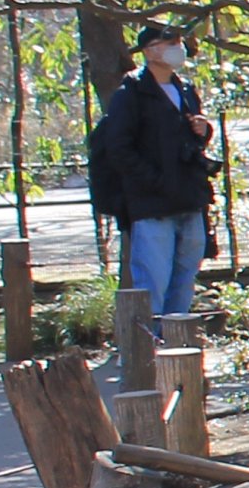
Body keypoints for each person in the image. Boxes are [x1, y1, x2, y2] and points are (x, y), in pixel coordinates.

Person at [87, 21, 217, 322]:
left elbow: (189, 138)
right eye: (169, 42)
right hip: (152, 204)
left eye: (178, 42)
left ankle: (176, 339)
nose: (177, 48)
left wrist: (203, 130)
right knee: (153, 281)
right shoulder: (130, 94)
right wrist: (154, 182)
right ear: (149, 51)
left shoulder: (184, 89)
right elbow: (119, 148)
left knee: (185, 274)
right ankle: (148, 350)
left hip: (189, 197)